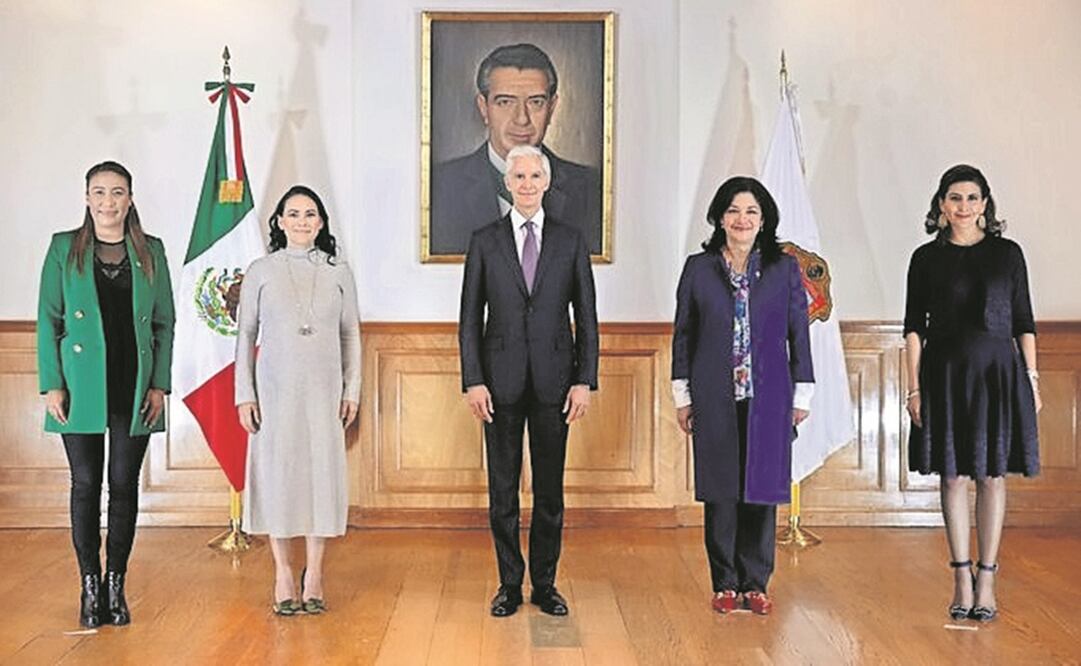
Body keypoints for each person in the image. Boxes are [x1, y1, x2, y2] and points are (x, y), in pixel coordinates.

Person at [459, 144, 598, 617]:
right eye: (517, 176)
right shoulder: (484, 240)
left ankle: (545, 585)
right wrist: (473, 380)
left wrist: (585, 381)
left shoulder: (571, 240)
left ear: (547, 181)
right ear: (507, 182)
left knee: (550, 492)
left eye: (534, 176)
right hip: (497, 385)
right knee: (502, 493)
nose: (526, 184)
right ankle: (508, 585)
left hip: (557, 385)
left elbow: (588, 318)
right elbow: (468, 319)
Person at [37, 160, 175, 628]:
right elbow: (48, 319)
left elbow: (164, 323)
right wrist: (52, 382)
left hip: (134, 382)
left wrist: (160, 384)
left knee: (123, 485)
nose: (108, 202)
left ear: (130, 199)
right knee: (84, 484)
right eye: (99, 192)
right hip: (78, 385)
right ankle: (89, 585)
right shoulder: (63, 249)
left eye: (117, 193)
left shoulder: (150, 251)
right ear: (86, 198)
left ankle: (117, 584)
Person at [903, 164, 1040, 623]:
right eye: (955, 198)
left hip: (999, 375)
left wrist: (1033, 382)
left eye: (973, 198)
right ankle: (960, 576)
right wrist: (913, 389)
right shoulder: (925, 258)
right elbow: (913, 329)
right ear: (941, 205)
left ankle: (987, 578)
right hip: (943, 375)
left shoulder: (1008, 254)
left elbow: (1024, 322)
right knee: (953, 477)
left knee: (992, 476)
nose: (964, 206)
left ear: (985, 204)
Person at [671, 176, 813, 616]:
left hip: (769, 395)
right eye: (734, 210)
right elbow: (684, 334)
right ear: (720, 216)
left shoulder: (783, 268)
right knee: (720, 490)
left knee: (762, 489)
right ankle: (725, 582)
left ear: (764, 218)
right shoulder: (699, 267)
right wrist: (683, 393)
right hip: (714, 394)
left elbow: (798, 334)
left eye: (751, 211)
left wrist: (802, 392)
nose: (742, 219)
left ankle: (756, 582)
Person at [234, 185, 361, 616]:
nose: (302, 221)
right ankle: (284, 571)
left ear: (321, 222)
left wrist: (353, 389)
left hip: (325, 392)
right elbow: (246, 334)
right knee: (279, 475)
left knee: (320, 476)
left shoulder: (338, 271)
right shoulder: (261, 271)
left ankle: (316, 574)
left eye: (310, 214)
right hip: (274, 390)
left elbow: (350, 335)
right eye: (294, 213)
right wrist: (243, 394)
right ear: (280, 222)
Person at [431, 42, 602, 255]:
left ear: (551, 108)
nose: (522, 119)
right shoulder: (440, 186)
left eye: (536, 102)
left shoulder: (591, 189)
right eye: (505, 102)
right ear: (484, 108)